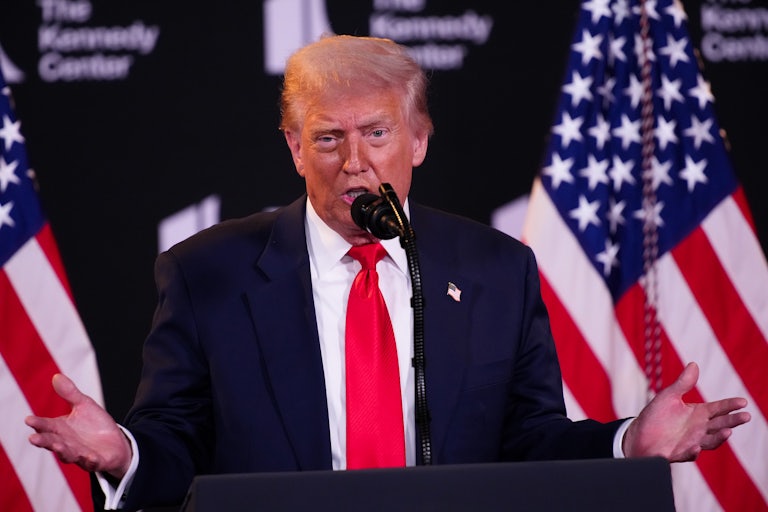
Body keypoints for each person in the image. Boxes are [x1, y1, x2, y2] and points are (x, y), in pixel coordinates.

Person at [26, 34, 750, 510]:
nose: (355, 162)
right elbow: (175, 439)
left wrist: (628, 444)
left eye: (377, 133)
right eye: (328, 138)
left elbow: (530, 441)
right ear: (294, 148)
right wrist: (125, 454)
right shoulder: (207, 273)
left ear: (419, 141)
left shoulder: (497, 270)